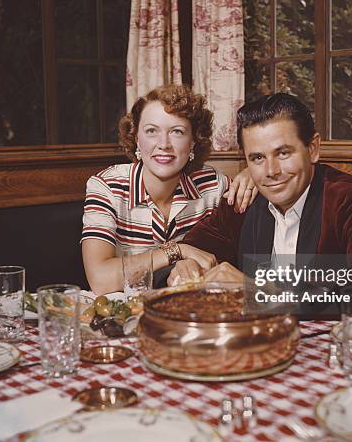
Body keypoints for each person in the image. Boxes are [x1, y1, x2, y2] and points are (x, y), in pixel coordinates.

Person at [170, 93, 352, 295]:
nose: (271, 172)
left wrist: (254, 290)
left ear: (312, 149)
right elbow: (194, 247)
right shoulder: (243, 200)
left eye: (283, 153)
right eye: (258, 158)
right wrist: (187, 265)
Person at [81, 84, 258, 295]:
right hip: (121, 315)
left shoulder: (214, 185)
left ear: (193, 141)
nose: (163, 144)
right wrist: (177, 250)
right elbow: (100, 280)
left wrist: (255, 172)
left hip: (186, 311)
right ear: (136, 138)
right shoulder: (106, 187)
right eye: (151, 131)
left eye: (177, 131)